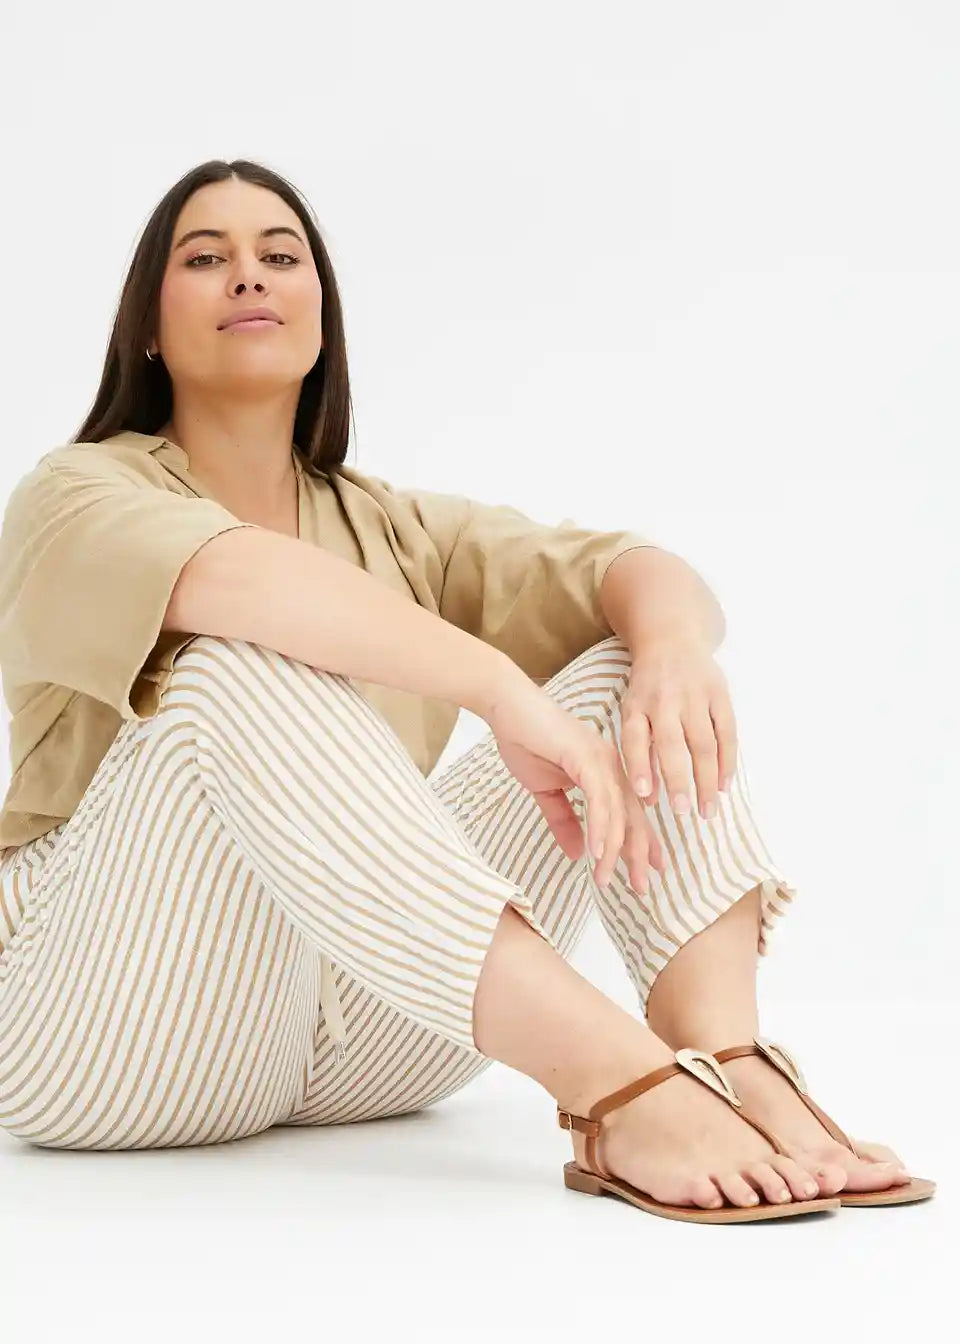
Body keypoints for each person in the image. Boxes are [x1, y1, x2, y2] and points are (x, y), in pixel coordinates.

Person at [0, 158, 933, 1224]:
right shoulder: (76, 494)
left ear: (321, 318)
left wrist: (676, 648)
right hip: (111, 1029)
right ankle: (622, 1086)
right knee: (232, 662)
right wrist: (495, 685)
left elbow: (633, 569)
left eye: (281, 255)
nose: (249, 275)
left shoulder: (392, 526)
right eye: (207, 258)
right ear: (148, 328)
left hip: (371, 1039)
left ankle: (724, 1058)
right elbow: (238, 580)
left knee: (626, 665)